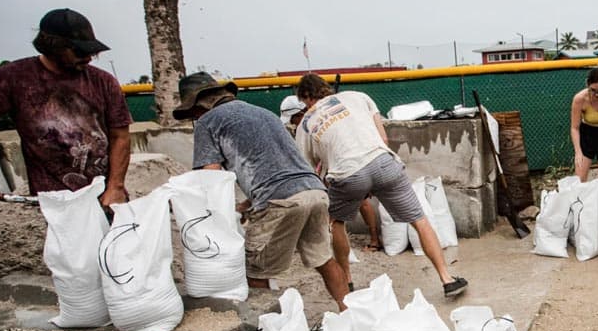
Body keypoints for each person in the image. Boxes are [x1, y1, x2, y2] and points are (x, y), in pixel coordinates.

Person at [173, 72, 348, 306]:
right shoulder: (263, 113)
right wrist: (247, 204)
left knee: (256, 271)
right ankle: (351, 315)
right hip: (314, 191)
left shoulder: (208, 121)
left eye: (192, 114)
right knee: (323, 260)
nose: (194, 118)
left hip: (279, 201)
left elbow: (210, 176)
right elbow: (278, 165)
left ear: (199, 105)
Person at [293, 73, 468, 300]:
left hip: (347, 175)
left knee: (336, 222)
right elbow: (383, 138)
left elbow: (308, 168)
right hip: (383, 164)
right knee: (419, 220)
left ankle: (347, 280)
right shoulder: (358, 96)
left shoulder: (305, 123)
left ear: (306, 97)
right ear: (325, 89)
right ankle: (447, 279)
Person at [0, 8, 131, 208]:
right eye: (79, 51)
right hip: (55, 201)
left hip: (104, 197)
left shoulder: (103, 82)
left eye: (91, 51)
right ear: (53, 46)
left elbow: (120, 136)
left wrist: (116, 187)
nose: (88, 57)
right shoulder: (13, 79)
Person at [281, 92, 383, 257]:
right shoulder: (307, 125)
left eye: (293, 120)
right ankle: (330, 243)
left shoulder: (316, 119)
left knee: (360, 202)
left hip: (344, 163)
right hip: (330, 165)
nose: (293, 125)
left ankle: (374, 240)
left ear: (300, 113)